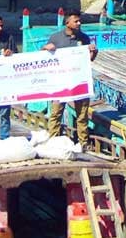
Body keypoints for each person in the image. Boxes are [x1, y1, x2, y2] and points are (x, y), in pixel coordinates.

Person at [42, 9, 98, 145]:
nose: (79, 23)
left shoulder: (84, 38)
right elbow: (43, 58)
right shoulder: (55, 38)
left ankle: (83, 143)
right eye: (76, 21)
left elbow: (88, 60)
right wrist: (45, 49)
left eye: (80, 21)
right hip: (60, 83)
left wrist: (94, 52)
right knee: (56, 113)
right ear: (67, 22)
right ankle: (52, 142)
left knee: (82, 115)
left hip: (78, 82)